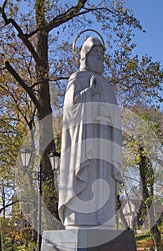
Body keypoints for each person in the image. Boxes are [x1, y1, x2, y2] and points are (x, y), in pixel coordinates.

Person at [58, 37, 122, 229]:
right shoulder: (76, 79)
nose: (100, 58)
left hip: (104, 142)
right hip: (84, 142)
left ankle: (103, 218)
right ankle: (81, 218)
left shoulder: (108, 86)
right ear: (85, 56)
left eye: (102, 55)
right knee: (85, 179)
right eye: (96, 54)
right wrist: (88, 94)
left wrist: (110, 117)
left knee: (104, 180)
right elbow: (70, 110)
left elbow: (115, 115)